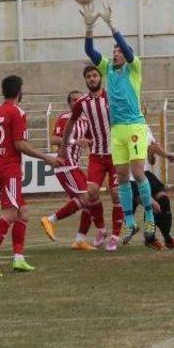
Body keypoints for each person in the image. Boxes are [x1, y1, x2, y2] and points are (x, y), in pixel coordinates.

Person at [81, 2, 157, 247]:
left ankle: (149, 216)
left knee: (137, 172)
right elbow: (90, 51)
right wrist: (90, 27)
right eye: (114, 51)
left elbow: (127, 48)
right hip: (117, 131)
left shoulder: (134, 68)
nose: (116, 53)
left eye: (119, 51)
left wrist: (112, 25)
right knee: (122, 179)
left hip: (135, 127)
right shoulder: (108, 70)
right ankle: (129, 221)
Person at [0, 75, 63, 277]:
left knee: (23, 212)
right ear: (19, 92)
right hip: (9, 171)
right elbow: (20, 144)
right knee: (10, 213)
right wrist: (46, 158)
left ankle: (18, 259)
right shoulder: (16, 112)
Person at [57, 65, 124, 251]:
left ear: (100, 77)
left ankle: (115, 236)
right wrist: (64, 146)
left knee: (116, 193)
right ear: (85, 80)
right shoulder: (82, 103)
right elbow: (70, 125)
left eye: (95, 75)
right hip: (96, 155)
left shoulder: (112, 96)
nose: (92, 79)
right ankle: (101, 229)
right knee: (92, 192)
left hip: (116, 154)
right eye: (88, 76)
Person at [40, 90, 105, 250]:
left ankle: (80, 240)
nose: (77, 102)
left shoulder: (86, 121)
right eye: (73, 100)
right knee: (86, 199)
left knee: (90, 200)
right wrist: (76, 141)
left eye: (79, 100)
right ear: (69, 104)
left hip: (74, 164)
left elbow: (90, 139)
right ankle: (50, 220)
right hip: (65, 164)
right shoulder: (66, 118)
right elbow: (54, 139)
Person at [126, 120, 174, 249]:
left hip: (146, 174)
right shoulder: (125, 129)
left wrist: (164, 155)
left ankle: (168, 239)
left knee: (163, 200)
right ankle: (150, 238)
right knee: (151, 205)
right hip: (131, 178)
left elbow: (151, 160)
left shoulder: (145, 127)